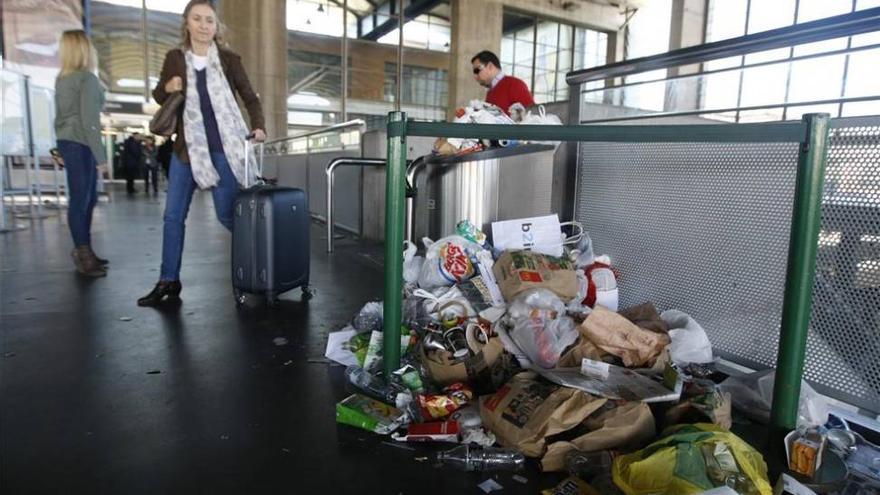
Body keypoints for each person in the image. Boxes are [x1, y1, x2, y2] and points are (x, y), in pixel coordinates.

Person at [137, 0, 266, 306]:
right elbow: (158, 95)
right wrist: (168, 87)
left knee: (226, 214)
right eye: (198, 19)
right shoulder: (174, 58)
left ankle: (261, 264)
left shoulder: (229, 59)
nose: (204, 25)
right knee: (173, 217)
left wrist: (259, 126)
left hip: (223, 150)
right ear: (187, 23)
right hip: (186, 152)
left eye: (209, 20)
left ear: (215, 25)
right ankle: (168, 280)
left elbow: (250, 97)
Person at [54, 29, 109, 278]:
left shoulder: (63, 78)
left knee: (84, 199)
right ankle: (83, 253)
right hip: (82, 144)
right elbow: (91, 122)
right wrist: (101, 157)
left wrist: (59, 146)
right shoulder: (86, 79)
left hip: (68, 143)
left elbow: (60, 118)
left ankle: (84, 249)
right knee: (83, 200)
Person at [471, 50, 535, 116]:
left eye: (477, 70)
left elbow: (532, 116)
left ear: (490, 66)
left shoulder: (515, 85)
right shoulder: (491, 92)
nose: (475, 76)